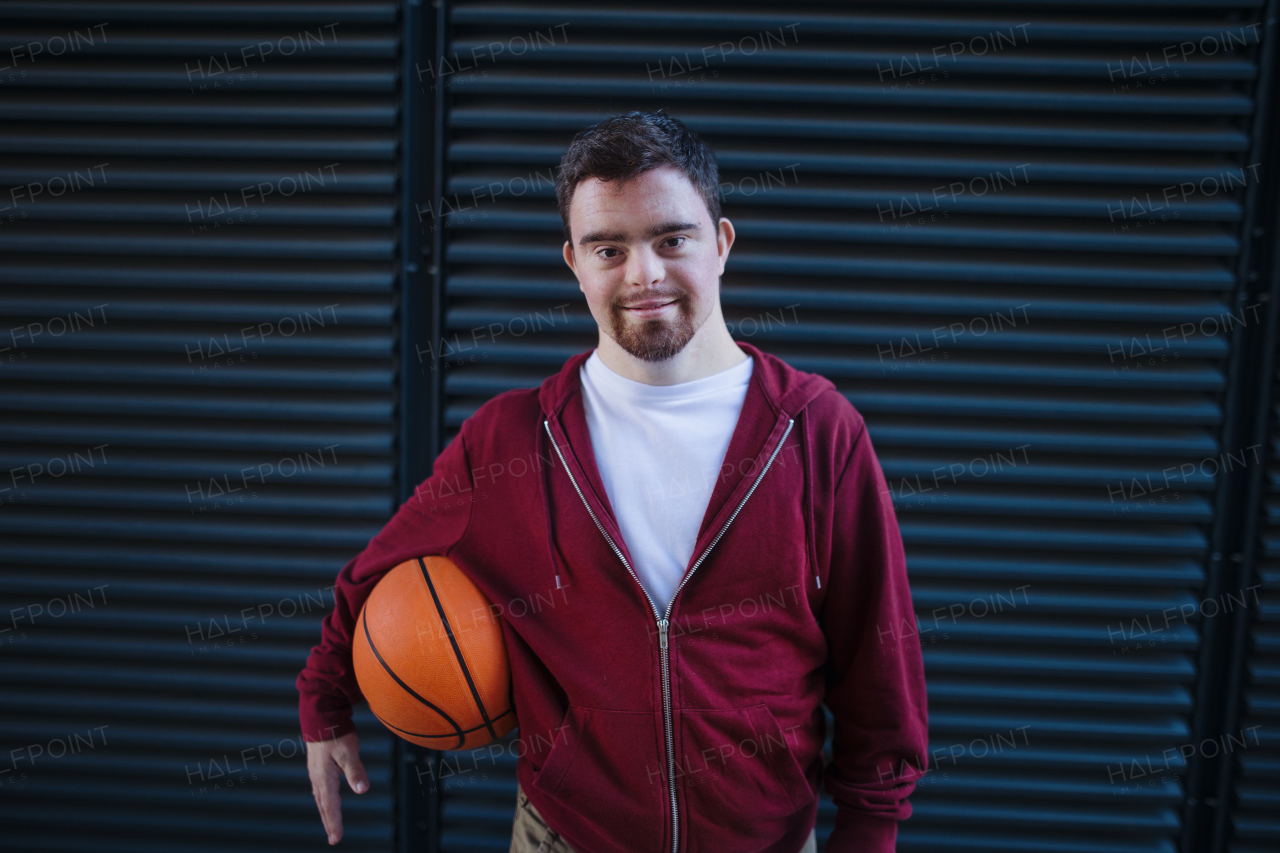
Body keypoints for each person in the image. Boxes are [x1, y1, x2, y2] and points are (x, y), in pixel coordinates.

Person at [298, 111, 928, 853]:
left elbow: (878, 657)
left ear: (720, 244)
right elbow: (369, 574)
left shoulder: (817, 430)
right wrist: (326, 700)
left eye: (671, 238)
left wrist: (871, 828)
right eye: (610, 247)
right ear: (574, 262)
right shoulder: (508, 441)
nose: (645, 273)